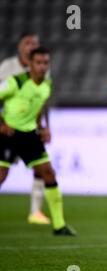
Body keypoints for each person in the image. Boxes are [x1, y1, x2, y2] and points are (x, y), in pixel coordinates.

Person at [0, 47, 76, 236]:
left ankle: (59, 225)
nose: (42, 67)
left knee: (48, 173)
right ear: (30, 64)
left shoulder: (46, 85)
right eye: (38, 63)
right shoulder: (15, 82)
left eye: (45, 63)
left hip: (29, 135)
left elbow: (41, 106)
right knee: (1, 176)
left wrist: (44, 127)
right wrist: (1, 124)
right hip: (8, 135)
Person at [0, 32, 51, 225]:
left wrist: (45, 126)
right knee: (2, 174)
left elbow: (43, 100)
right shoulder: (8, 67)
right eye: (27, 42)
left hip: (30, 129)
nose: (31, 45)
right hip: (10, 129)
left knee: (41, 169)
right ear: (20, 46)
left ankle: (35, 211)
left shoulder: (43, 67)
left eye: (34, 43)